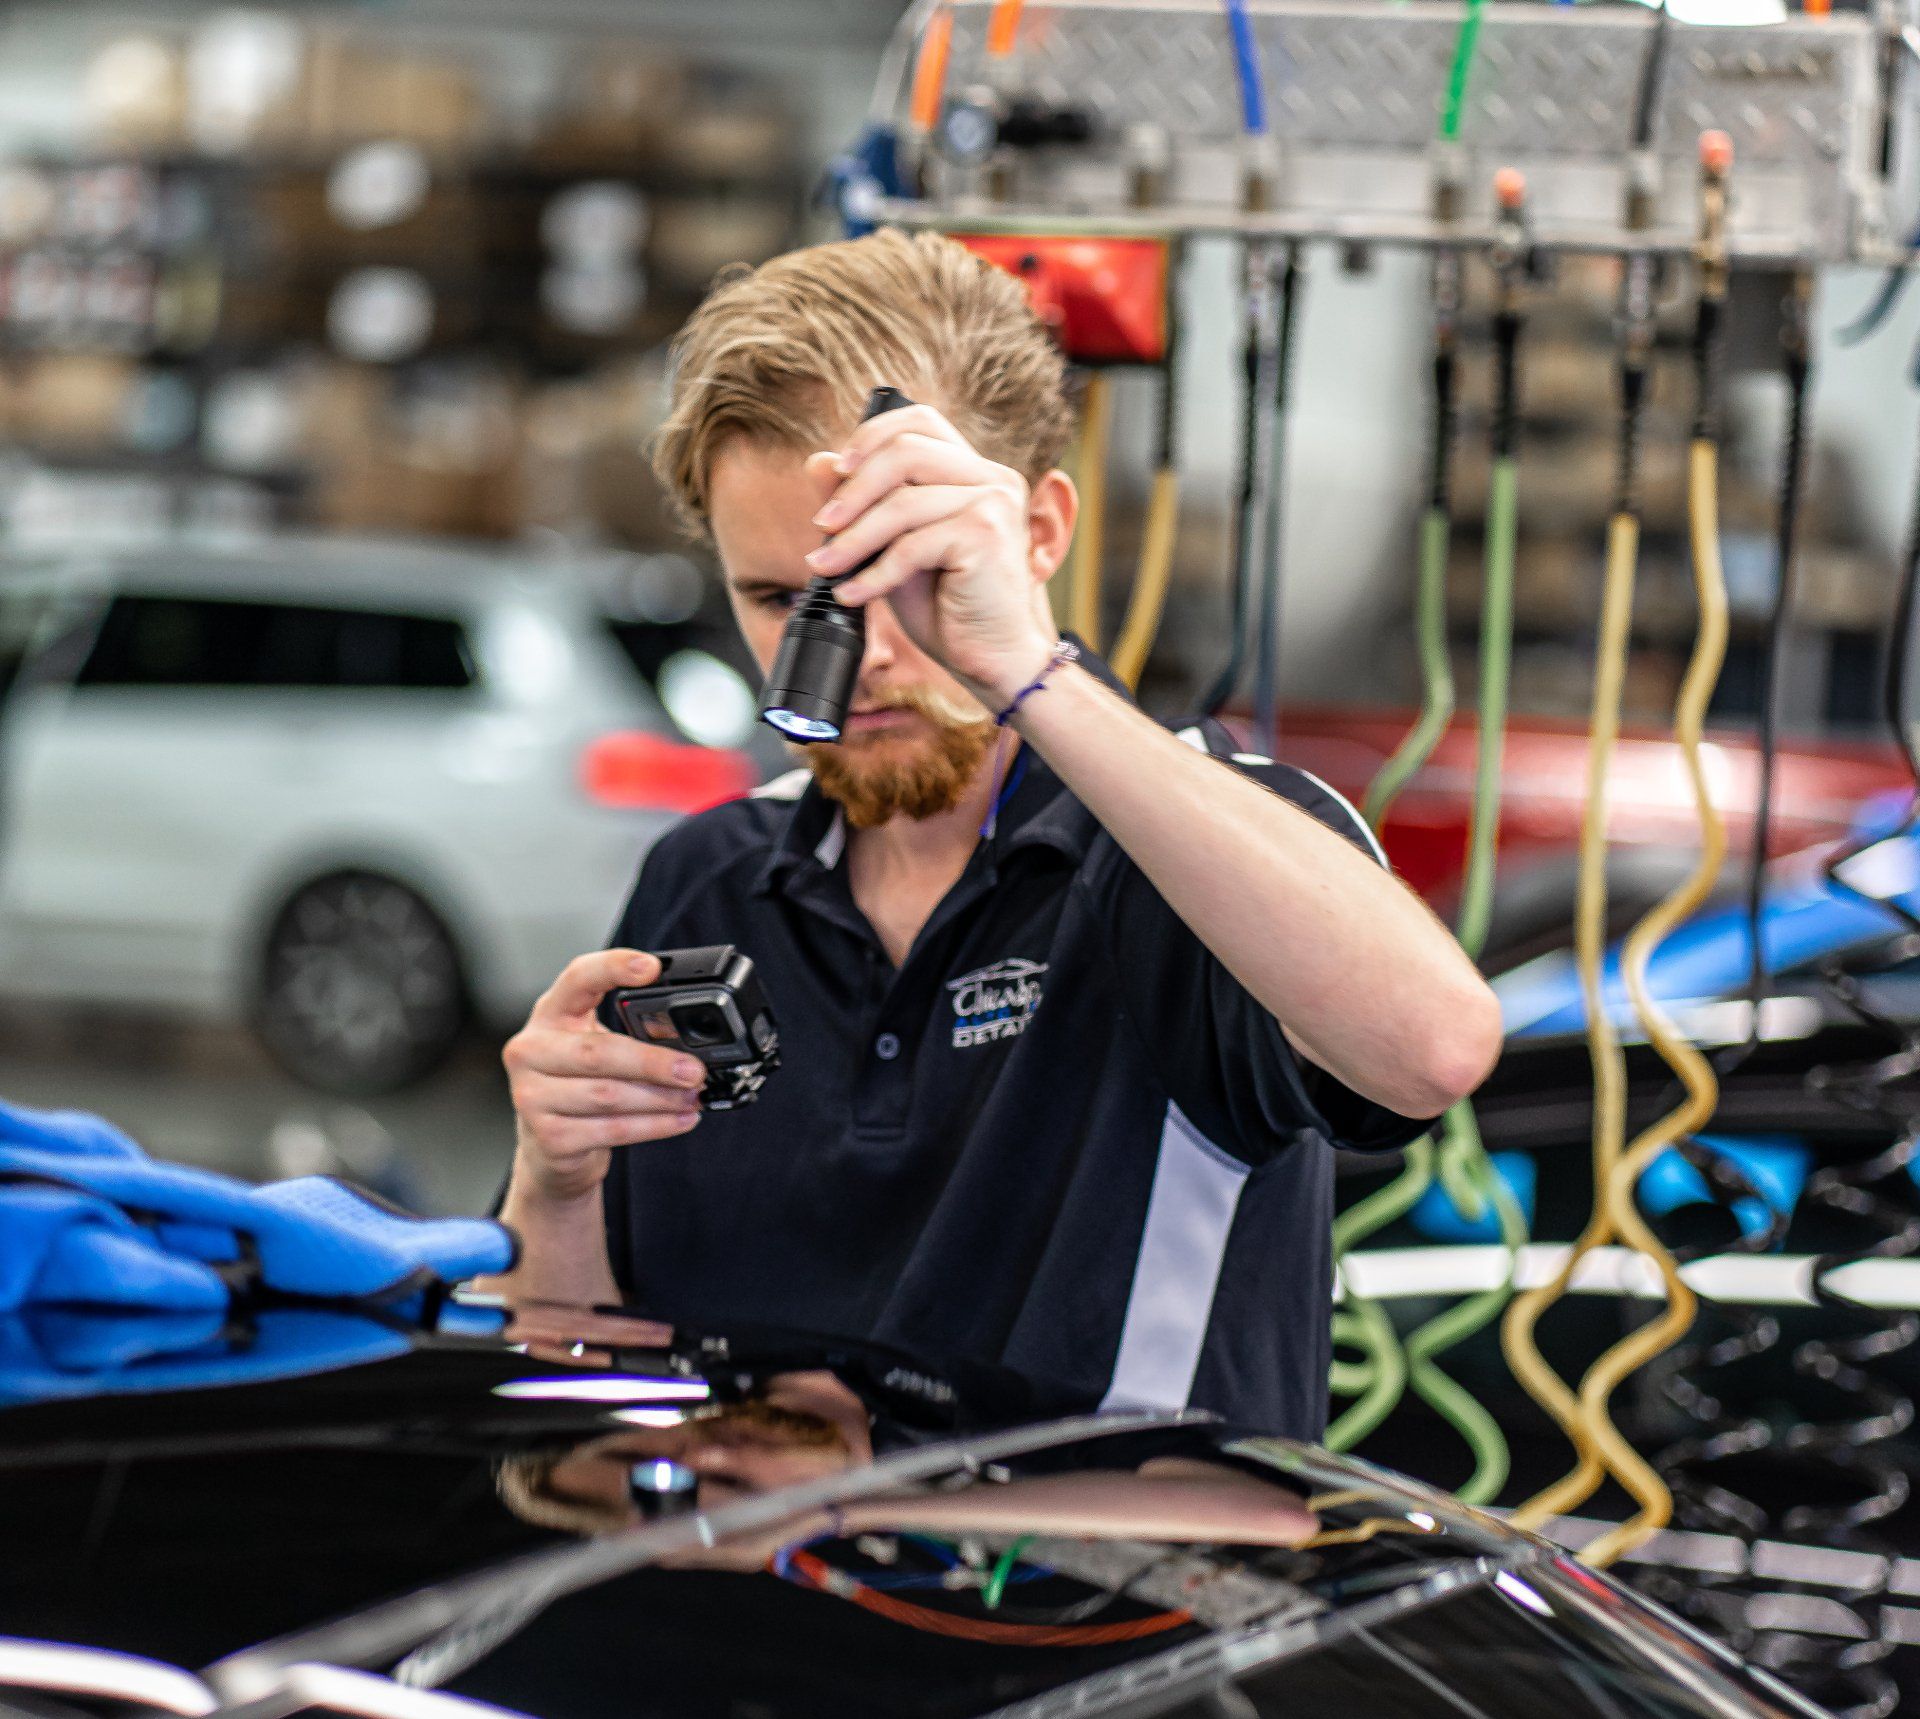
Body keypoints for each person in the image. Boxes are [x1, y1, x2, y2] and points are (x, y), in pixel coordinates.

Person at [486, 228, 1504, 1436]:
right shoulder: (705, 880)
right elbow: (567, 1379)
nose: (854, 660)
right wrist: (554, 1186)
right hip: (751, 1607)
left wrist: (1021, 666)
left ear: (1038, 536)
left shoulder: (1188, 862)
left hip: (1093, 1616)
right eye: (780, 601)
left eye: (897, 579)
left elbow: (1435, 1046)